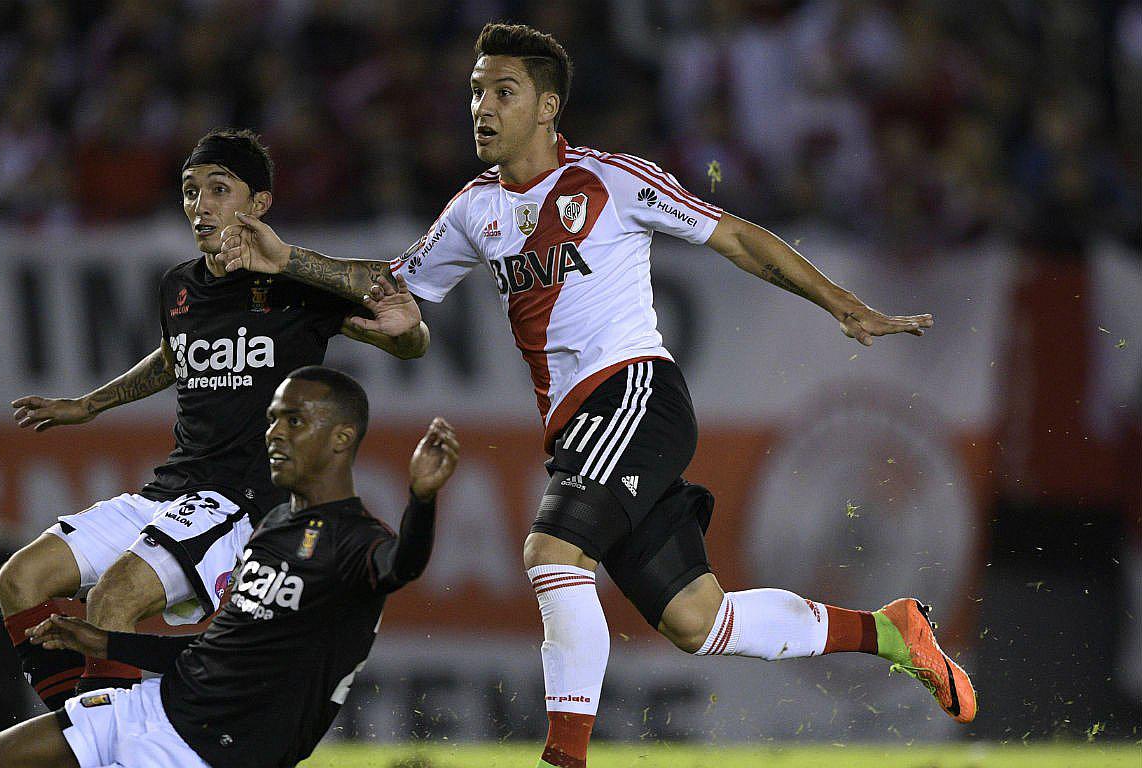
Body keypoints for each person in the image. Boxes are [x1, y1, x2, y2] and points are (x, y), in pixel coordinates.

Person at [218, 22, 974, 768]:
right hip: (582, 427)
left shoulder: (612, 180)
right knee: (697, 620)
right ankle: (887, 632)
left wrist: (840, 301)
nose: (482, 106)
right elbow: (399, 302)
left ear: (547, 107)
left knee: (551, 551)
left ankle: (564, 760)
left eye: (503, 92)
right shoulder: (473, 210)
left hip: (635, 393)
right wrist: (296, 267)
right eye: (476, 91)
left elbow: (737, 236)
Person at [0, 128, 428, 708]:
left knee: (111, 604)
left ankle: (105, 745)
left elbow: (403, 327)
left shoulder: (294, 286)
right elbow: (177, 353)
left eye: (218, 189)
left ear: (258, 204)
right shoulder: (180, 286)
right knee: (20, 581)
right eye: (190, 191)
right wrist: (90, 404)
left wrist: (289, 260)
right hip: (172, 490)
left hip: (243, 502)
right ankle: (79, 735)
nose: (200, 205)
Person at [0, 367, 459, 768]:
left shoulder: (356, 540)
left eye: (294, 421)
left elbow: (401, 565)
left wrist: (421, 500)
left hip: (208, 753)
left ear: (342, 439)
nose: (275, 434)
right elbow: (215, 652)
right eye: (273, 419)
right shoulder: (276, 525)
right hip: (156, 705)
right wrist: (105, 644)